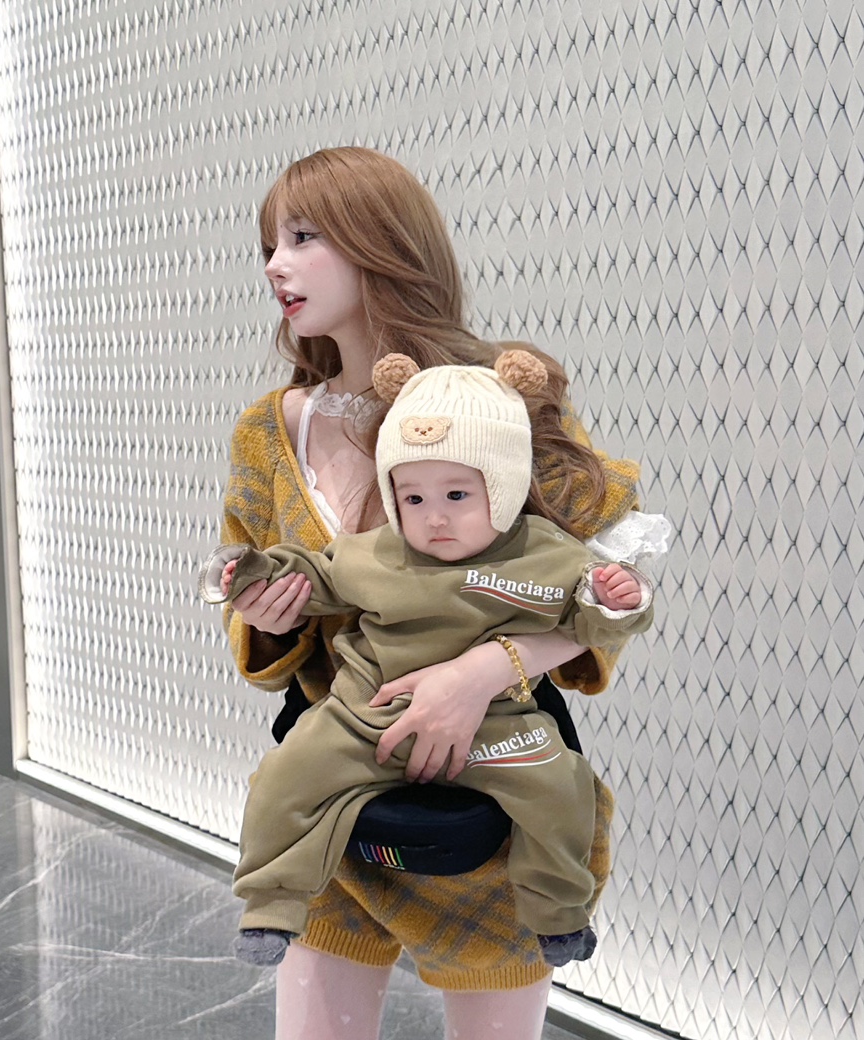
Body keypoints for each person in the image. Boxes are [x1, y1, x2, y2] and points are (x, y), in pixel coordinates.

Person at [218, 145, 654, 1040]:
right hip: (332, 792)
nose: (275, 265)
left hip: (490, 800)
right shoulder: (269, 431)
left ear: (379, 241)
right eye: (269, 245)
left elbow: (607, 581)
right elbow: (258, 610)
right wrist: (266, 615)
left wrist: (482, 672)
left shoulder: (498, 401)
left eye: (303, 237)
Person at [200, 350, 655, 971]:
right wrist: (258, 574)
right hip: (364, 718)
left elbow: (586, 619)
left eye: (457, 494)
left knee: (561, 789)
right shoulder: (375, 554)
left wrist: (615, 600)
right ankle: (270, 906)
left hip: (496, 724)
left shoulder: (545, 555)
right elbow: (313, 573)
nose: (434, 517)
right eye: (411, 497)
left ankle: (558, 915)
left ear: (503, 487)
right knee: (285, 779)